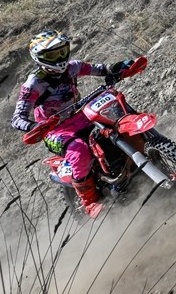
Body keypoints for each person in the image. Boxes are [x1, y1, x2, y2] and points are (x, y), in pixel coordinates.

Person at [11, 31, 142, 218]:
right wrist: (34, 127)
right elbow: (17, 118)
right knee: (79, 151)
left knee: (116, 119)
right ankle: (90, 202)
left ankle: (147, 156)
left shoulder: (73, 67)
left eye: (61, 51)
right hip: (54, 130)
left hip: (81, 115)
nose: (59, 58)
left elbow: (101, 69)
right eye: (51, 55)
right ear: (39, 59)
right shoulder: (33, 84)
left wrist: (119, 68)